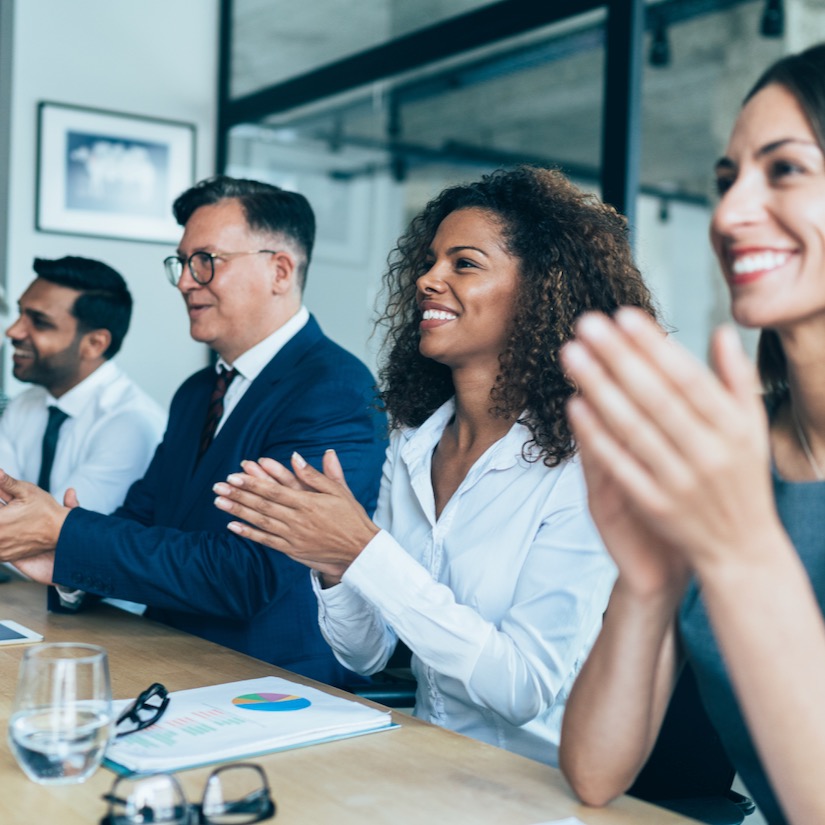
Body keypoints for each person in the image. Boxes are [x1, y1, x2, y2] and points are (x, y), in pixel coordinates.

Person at [210, 165, 655, 765]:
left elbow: (522, 688)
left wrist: (365, 551)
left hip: (532, 789)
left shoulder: (586, 467)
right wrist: (335, 565)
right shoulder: (413, 446)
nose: (427, 279)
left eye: (462, 264)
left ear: (541, 290)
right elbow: (364, 654)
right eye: (430, 261)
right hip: (422, 763)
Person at [558, 43, 825, 825]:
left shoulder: (730, 492)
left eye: (782, 169)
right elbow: (595, 771)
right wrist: (648, 582)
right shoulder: (726, 452)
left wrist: (738, 549)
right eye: (724, 179)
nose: (728, 214)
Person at [5, 176, 386, 687]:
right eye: (182, 263)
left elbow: (251, 575)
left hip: (272, 686)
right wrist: (61, 560)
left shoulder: (334, 390)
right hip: (167, 663)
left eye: (206, 261)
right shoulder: (196, 392)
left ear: (279, 270)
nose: (186, 281)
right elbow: (145, 518)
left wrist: (63, 532)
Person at [0, 256, 165, 612]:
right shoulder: (24, 405)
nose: (13, 331)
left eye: (38, 322)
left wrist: (31, 534)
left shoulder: (131, 423)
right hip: (28, 603)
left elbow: (49, 539)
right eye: (21, 313)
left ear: (94, 343)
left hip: (109, 621)